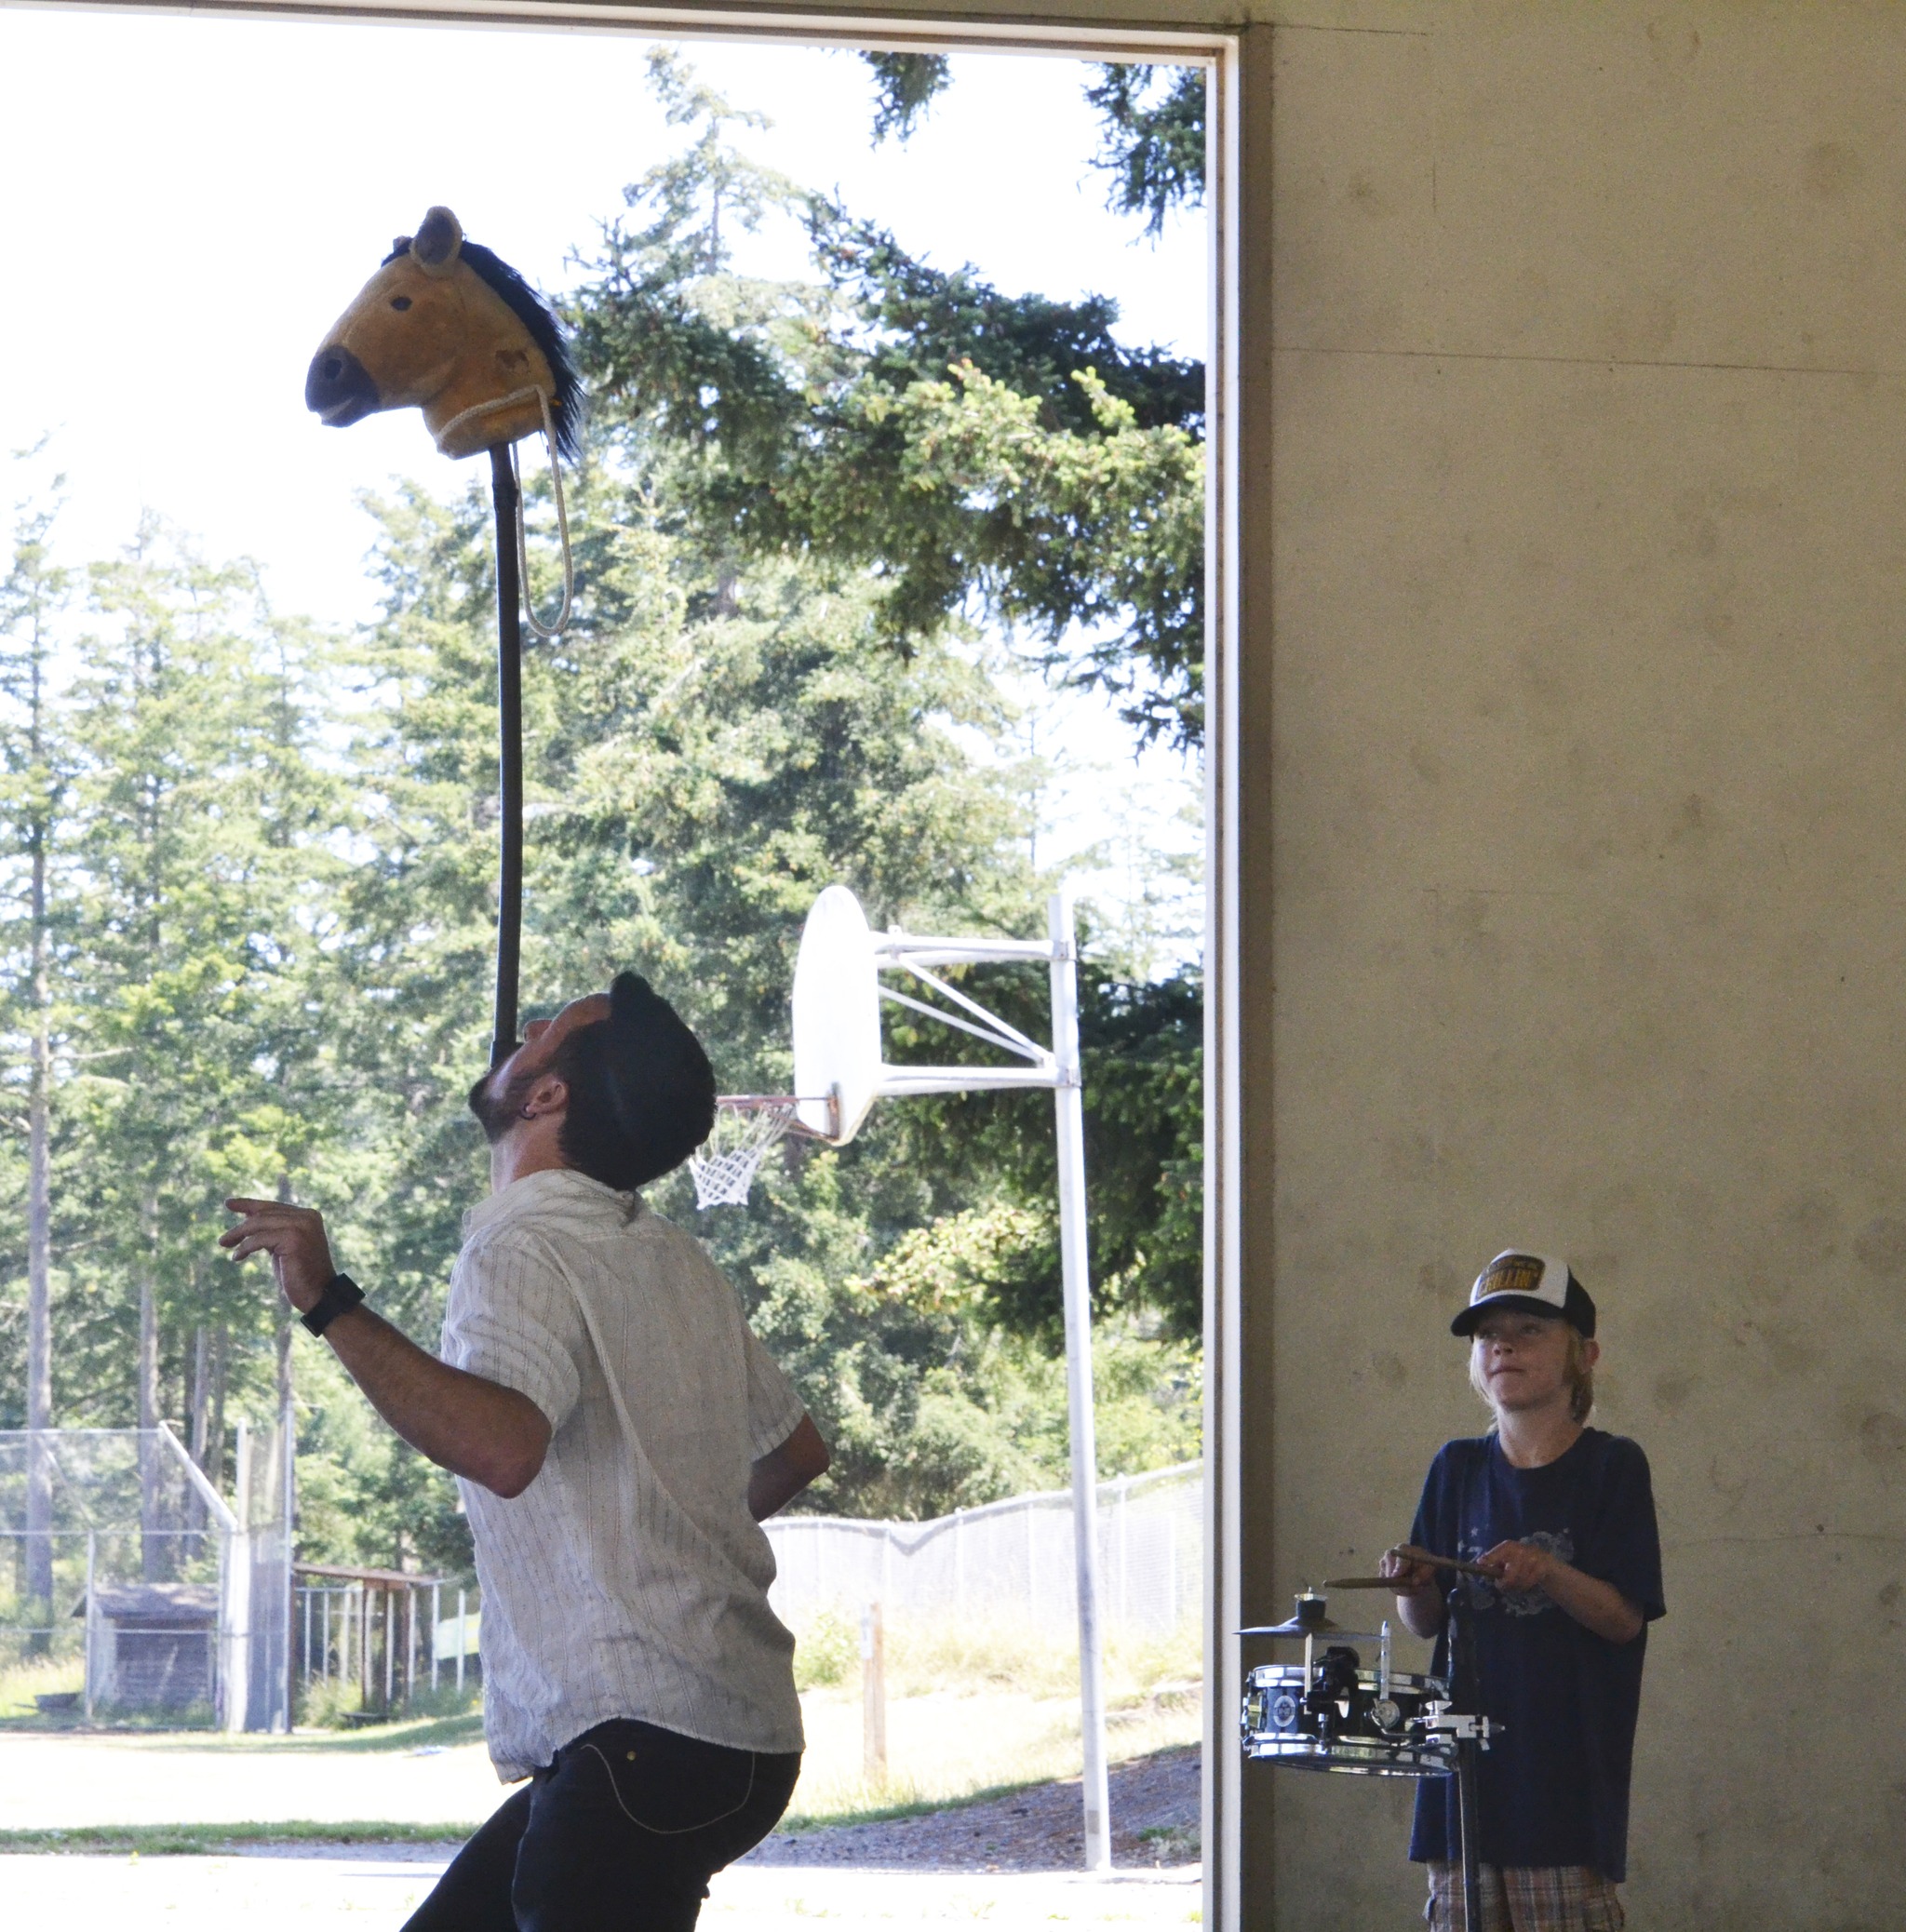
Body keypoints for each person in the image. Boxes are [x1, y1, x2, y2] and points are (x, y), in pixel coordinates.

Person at [221, 972, 829, 1931]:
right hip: (727, 1737)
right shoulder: (674, 1258)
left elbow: (502, 1449)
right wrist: (656, 1528)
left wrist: (327, 1301)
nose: (528, 1027)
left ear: (546, 1097)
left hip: (642, 1737)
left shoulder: (518, 1245)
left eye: (549, 1031)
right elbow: (795, 1452)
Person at [1378, 1251, 1664, 1932]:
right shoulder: (1457, 1466)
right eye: (1486, 1335)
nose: (1502, 1344)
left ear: (1584, 1354)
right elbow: (1424, 1622)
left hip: (1561, 1788)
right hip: (1460, 1783)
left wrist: (1551, 1571)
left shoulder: (1611, 1466)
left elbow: (1625, 1619)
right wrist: (1412, 1583)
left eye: (1530, 1329)